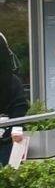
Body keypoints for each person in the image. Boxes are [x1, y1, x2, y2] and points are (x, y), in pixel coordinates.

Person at [0, 33, 29, 166]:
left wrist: (16, 129)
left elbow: (19, 107)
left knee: (9, 171)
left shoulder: (12, 81)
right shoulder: (13, 80)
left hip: (8, 139)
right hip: (8, 137)